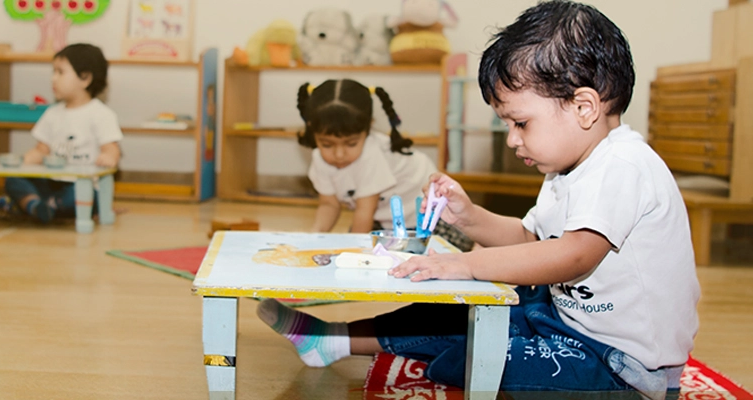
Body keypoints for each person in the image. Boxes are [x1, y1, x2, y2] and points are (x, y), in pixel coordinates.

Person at [258, 1, 700, 398]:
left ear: (583, 108)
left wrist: (464, 264)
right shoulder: (568, 169)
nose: (512, 139)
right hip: (566, 327)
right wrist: (468, 217)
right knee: (468, 315)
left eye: (520, 123)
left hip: (625, 368)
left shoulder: (622, 164)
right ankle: (332, 339)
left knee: (473, 356)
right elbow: (530, 238)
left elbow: (574, 256)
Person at [297, 78, 472, 250]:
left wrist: (351, 253)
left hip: (428, 219)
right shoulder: (319, 157)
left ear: (368, 129)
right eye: (327, 144)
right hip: (384, 219)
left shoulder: (371, 154)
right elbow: (329, 204)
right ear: (313, 131)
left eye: (351, 144)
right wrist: (314, 236)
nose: (339, 154)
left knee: (431, 257)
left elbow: (364, 212)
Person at [0, 43, 122, 223]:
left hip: (82, 185)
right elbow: (41, 149)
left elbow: (112, 148)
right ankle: (38, 206)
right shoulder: (52, 113)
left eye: (60, 72)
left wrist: (109, 156)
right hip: (51, 181)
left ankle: (39, 206)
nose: (53, 79)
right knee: (13, 180)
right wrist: (21, 161)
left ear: (85, 78)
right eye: (53, 72)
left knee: (79, 195)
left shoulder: (101, 114)